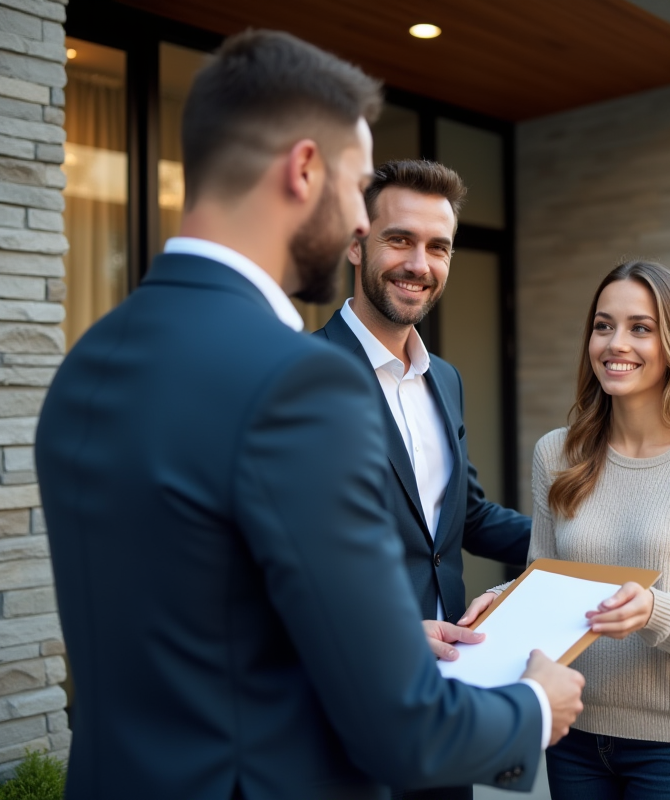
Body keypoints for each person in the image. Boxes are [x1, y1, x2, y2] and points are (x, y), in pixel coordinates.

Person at [34, 30, 582, 800]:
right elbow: (405, 730)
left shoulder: (86, 362)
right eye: (360, 191)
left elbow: (206, 623)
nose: (359, 221)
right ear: (304, 170)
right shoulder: (300, 383)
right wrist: (533, 706)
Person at [490, 261, 670, 799]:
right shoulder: (556, 453)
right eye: (602, 325)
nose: (616, 343)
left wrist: (653, 609)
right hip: (572, 732)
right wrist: (496, 601)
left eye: (641, 327)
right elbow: (545, 582)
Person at [314, 160, 531, 800]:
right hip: (348, 695)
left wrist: (582, 545)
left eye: (438, 246)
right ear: (358, 243)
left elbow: (464, 519)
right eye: (400, 239)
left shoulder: (447, 379)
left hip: (446, 694)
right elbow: (275, 557)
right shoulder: (299, 374)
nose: (420, 263)